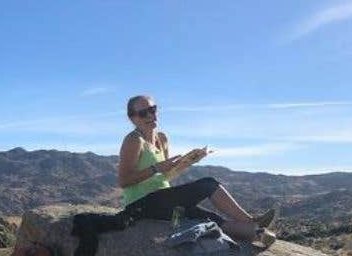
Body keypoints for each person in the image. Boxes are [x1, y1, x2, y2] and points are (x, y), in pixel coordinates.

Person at [118, 94, 276, 246]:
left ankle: (258, 234)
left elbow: (165, 176)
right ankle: (251, 221)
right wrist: (155, 168)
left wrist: (187, 162)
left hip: (164, 200)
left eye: (152, 109)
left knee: (211, 219)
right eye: (143, 113)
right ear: (132, 118)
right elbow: (124, 181)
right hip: (141, 204)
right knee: (208, 184)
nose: (150, 115)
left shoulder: (162, 138)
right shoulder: (134, 140)